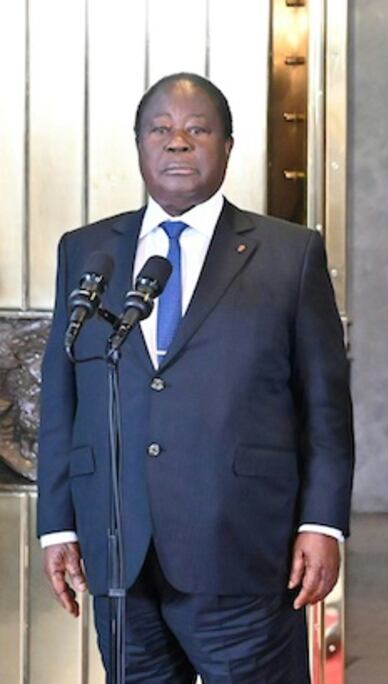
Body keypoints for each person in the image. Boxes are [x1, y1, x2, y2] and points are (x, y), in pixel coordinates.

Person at [37, 72, 354, 682]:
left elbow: (325, 406)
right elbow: (63, 397)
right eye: (160, 129)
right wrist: (58, 524)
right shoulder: (86, 251)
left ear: (228, 146)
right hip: (121, 555)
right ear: (138, 145)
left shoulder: (289, 253)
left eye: (197, 129)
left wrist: (322, 523)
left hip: (245, 551)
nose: (176, 141)